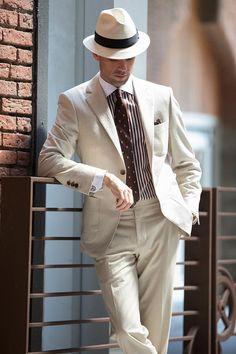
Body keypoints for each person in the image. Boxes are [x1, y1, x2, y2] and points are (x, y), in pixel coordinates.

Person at [38, 7, 202, 354]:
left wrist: (186, 212)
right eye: (113, 57)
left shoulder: (162, 97)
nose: (123, 65)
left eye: (129, 56)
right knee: (129, 329)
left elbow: (188, 165)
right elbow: (49, 160)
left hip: (161, 221)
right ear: (96, 53)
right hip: (112, 228)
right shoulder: (75, 101)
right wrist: (102, 179)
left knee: (156, 331)